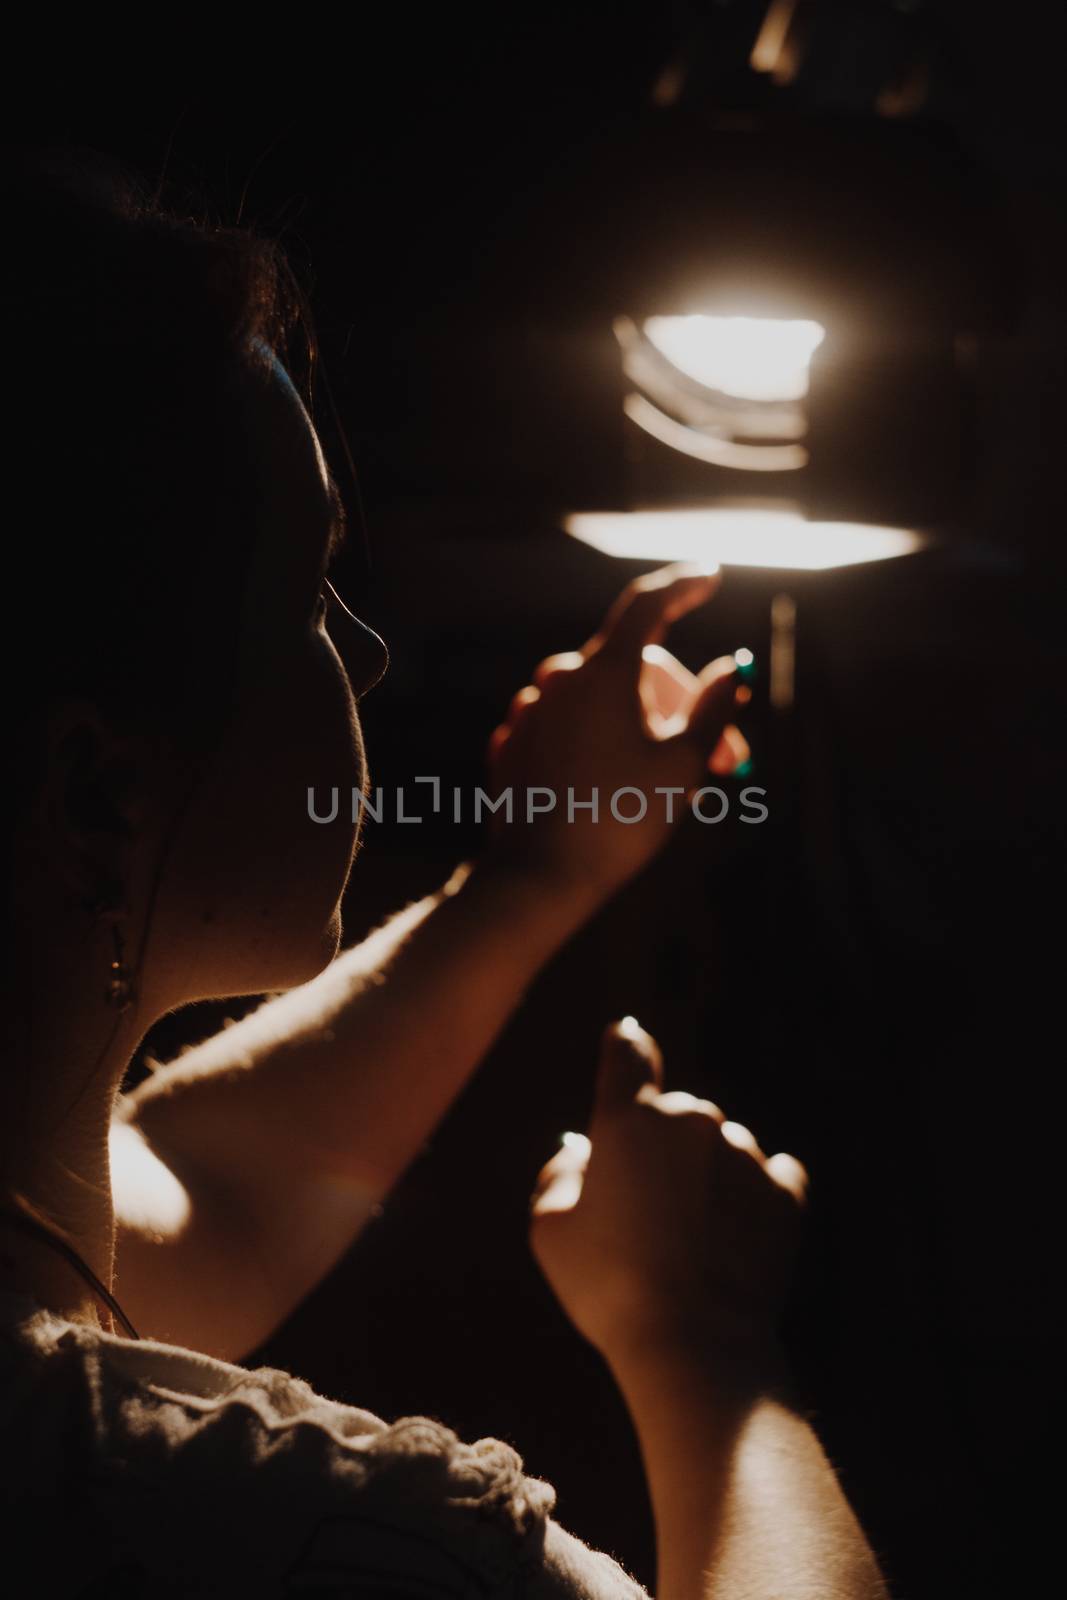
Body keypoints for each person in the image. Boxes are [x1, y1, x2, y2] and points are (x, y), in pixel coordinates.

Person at [0, 143, 889, 1598]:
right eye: (305, 594)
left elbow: (191, 1194)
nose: (363, 652)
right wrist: (706, 1347)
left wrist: (533, 874)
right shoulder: (281, 1538)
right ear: (98, 794)